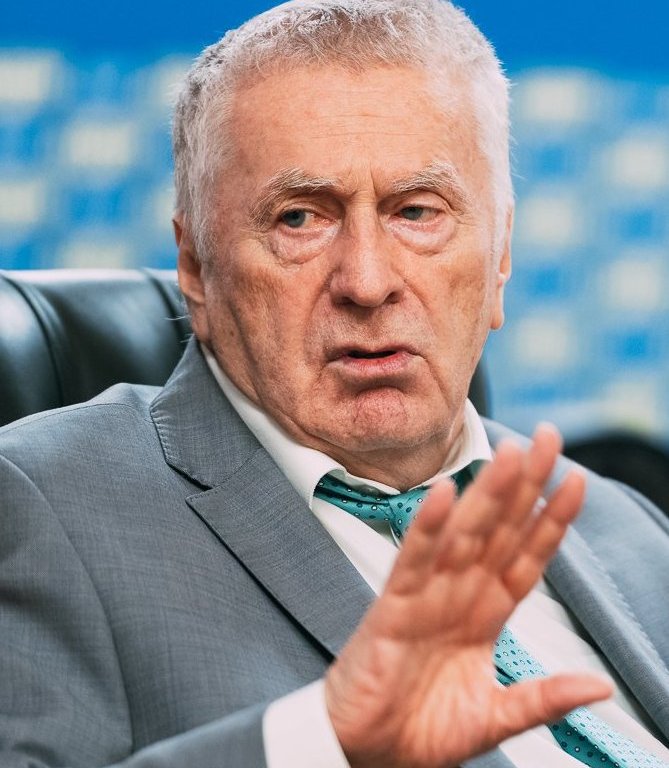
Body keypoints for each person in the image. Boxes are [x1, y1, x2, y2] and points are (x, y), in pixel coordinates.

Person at [0, 1, 668, 766]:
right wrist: (324, 740)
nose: (367, 281)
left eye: (416, 211)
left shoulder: (623, 528)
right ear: (195, 268)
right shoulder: (38, 507)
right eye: (299, 219)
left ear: (500, 258)